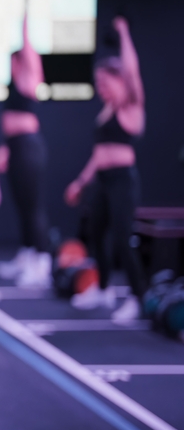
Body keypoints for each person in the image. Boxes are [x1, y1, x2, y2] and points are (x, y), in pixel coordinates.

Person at [64, 16, 146, 320]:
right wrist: (80, 182)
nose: (101, 88)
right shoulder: (106, 111)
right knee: (96, 234)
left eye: (104, 82)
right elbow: (98, 155)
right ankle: (104, 289)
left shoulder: (130, 106)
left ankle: (138, 298)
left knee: (123, 239)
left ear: (118, 80)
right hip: (102, 181)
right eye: (97, 83)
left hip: (123, 181)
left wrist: (124, 33)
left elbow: (132, 70)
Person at [0, 13, 52, 287]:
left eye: (13, 60)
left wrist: (25, 15)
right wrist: (5, 149)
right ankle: (28, 254)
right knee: (21, 206)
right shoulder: (12, 85)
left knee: (33, 207)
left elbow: (29, 51)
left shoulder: (28, 79)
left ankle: (42, 262)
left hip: (30, 148)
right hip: (16, 148)